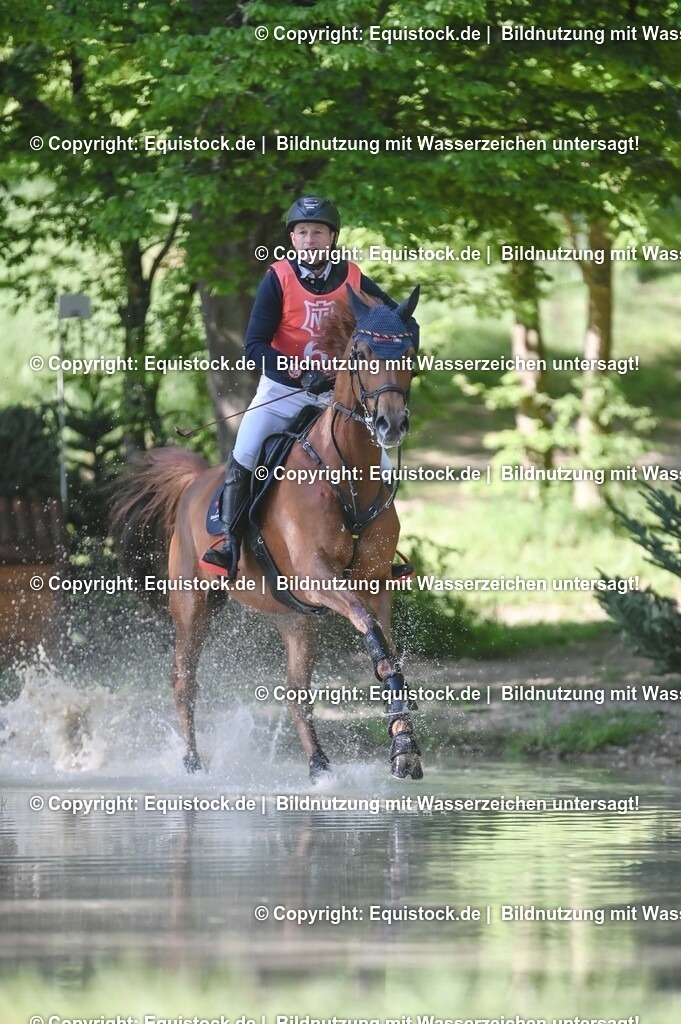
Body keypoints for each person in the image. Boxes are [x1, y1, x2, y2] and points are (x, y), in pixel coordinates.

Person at [200, 195, 419, 578]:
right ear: (292, 238)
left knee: (381, 465)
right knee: (246, 451)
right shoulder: (278, 279)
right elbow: (254, 346)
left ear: (332, 237)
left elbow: (393, 317)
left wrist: (405, 339)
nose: (309, 239)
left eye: (317, 232)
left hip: (339, 398)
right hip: (282, 391)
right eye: (302, 232)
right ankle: (229, 544)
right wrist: (300, 374)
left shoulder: (352, 277)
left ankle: (380, 552)